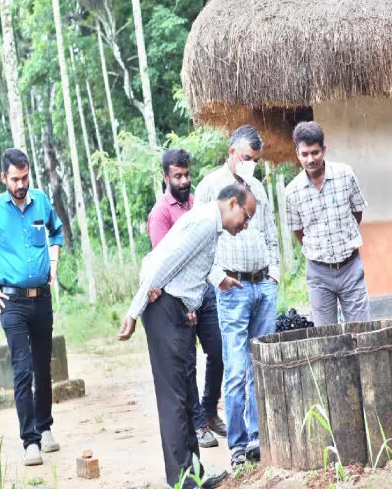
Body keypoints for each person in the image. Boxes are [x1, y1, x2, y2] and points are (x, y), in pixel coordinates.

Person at [118, 183, 256, 489]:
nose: (245, 225)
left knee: (186, 396)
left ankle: (193, 475)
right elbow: (161, 265)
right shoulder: (205, 223)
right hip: (164, 310)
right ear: (233, 204)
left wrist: (219, 280)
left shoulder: (208, 223)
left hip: (178, 310)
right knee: (174, 398)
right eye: (246, 217)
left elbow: (191, 260)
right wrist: (133, 312)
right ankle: (181, 480)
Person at [193, 125, 280, 469]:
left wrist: (274, 275)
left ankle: (259, 438)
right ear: (232, 152)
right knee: (236, 368)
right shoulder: (209, 187)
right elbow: (198, 240)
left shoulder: (257, 187)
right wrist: (218, 279)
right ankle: (239, 446)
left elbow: (271, 233)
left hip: (263, 286)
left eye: (256, 159)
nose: (251, 165)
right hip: (232, 290)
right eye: (246, 158)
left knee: (261, 364)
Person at [0, 148, 63, 466]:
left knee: (42, 367)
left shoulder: (41, 201)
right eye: (15, 179)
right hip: (10, 301)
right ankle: (30, 441)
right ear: (4, 178)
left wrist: (53, 263)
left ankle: (45, 427)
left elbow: (56, 231)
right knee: (23, 369)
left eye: (25, 177)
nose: (21, 184)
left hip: (42, 298)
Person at [147, 148, 227, 449]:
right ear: (165, 177)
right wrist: (184, 304)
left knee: (218, 350)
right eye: (177, 176)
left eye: (186, 175)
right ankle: (198, 423)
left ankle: (210, 409)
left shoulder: (197, 204)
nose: (183, 181)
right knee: (188, 362)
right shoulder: (160, 213)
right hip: (179, 297)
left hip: (205, 289)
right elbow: (164, 262)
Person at [285, 121, 370, 325]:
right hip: (318, 273)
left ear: (323, 150)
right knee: (325, 335)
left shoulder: (345, 174)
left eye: (315, 152)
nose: (311, 159)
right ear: (297, 154)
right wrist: (319, 248)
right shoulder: (292, 191)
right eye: (305, 154)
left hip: (350, 267)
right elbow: (298, 231)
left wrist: (343, 238)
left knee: (362, 331)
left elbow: (357, 212)